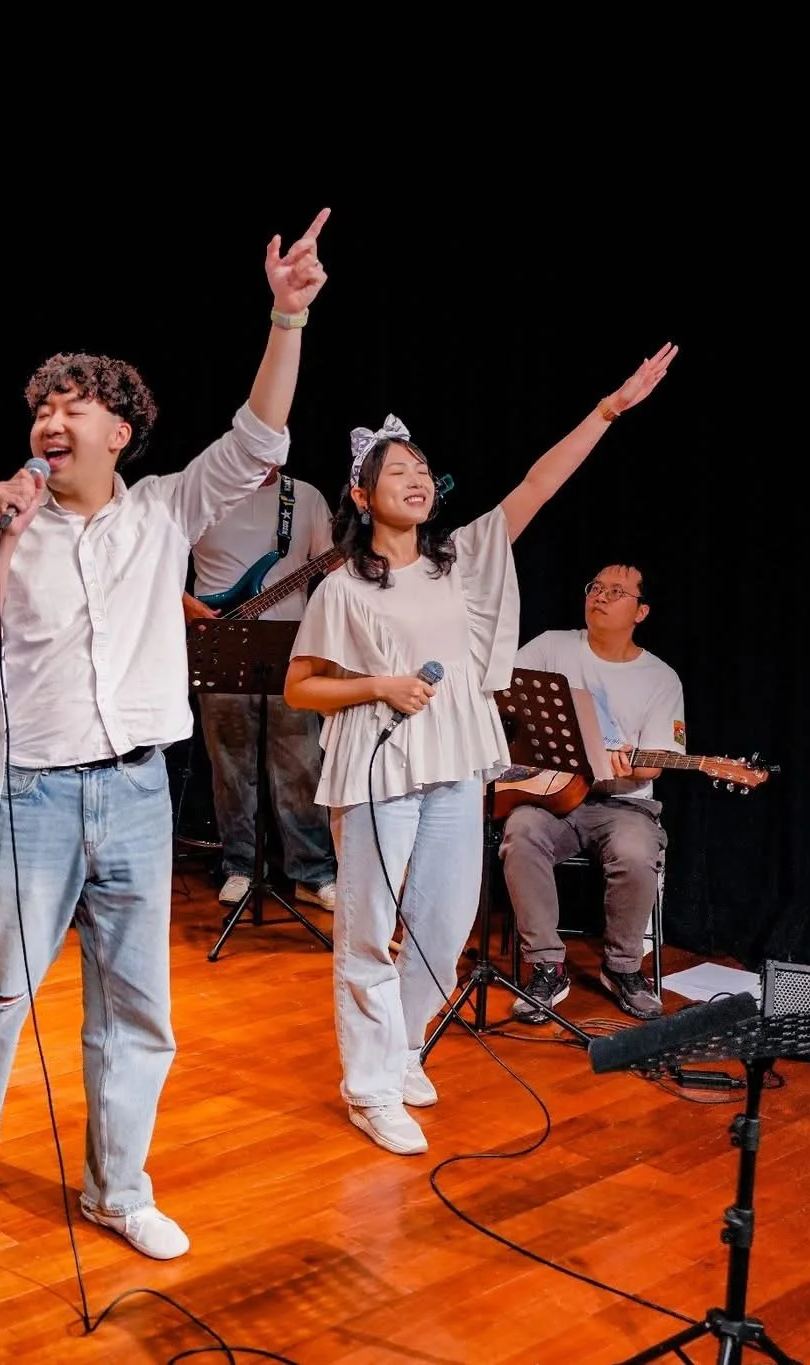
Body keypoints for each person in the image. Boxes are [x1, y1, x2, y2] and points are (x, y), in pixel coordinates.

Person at [0, 208, 333, 1261]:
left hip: (138, 790)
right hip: (36, 793)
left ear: (118, 427)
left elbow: (258, 438)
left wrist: (284, 317)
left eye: (72, 403)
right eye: (39, 406)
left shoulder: (162, 511)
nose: (49, 417)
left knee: (136, 1007)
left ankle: (118, 1186)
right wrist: (6, 541)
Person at [283, 342, 679, 1157]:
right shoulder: (342, 588)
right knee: (368, 927)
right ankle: (369, 1084)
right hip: (377, 760)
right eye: (398, 470)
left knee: (444, 920)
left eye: (424, 467)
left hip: (456, 762)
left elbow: (537, 484)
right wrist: (378, 686)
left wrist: (607, 410)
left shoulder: (460, 562)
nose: (418, 478)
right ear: (363, 494)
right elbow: (301, 688)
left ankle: (401, 1044)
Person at [501, 561, 684, 1023]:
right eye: (595, 587)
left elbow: (655, 764)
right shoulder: (550, 646)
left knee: (637, 849)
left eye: (616, 591)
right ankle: (547, 964)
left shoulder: (660, 679)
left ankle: (622, 967)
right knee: (521, 831)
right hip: (550, 796)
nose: (600, 596)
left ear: (641, 612)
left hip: (622, 803)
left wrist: (622, 767)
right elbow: (502, 704)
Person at [182, 467, 340, 911]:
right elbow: (154, 563)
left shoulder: (305, 496)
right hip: (218, 645)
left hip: (292, 651)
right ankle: (239, 866)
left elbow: (333, 566)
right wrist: (187, 605)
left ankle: (313, 872)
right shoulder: (203, 492)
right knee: (230, 766)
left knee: (301, 764)